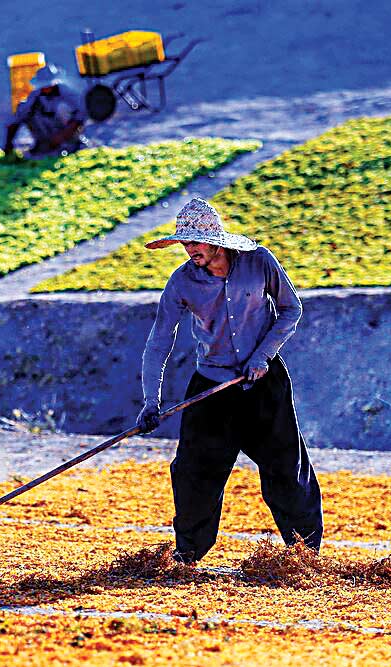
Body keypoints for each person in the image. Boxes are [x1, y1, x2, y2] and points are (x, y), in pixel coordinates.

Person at [136, 198, 323, 564]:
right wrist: (150, 401)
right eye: (185, 243)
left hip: (264, 383)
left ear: (216, 241)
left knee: (286, 468)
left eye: (196, 242)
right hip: (212, 387)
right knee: (193, 471)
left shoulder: (259, 262)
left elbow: (291, 309)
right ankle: (187, 554)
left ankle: (305, 556)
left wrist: (262, 355)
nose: (190, 250)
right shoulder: (182, 282)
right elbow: (159, 340)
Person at [4, 64, 87, 156]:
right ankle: (43, 145)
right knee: (30, 113)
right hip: (46, 136)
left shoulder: (67, 94)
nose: (46, 88)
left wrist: (63, 135)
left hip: (67, 135)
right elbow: (18, 117)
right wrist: (8, 145)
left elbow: (81, 114)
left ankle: (68, 145)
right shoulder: (35, 96)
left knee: (62, 108)